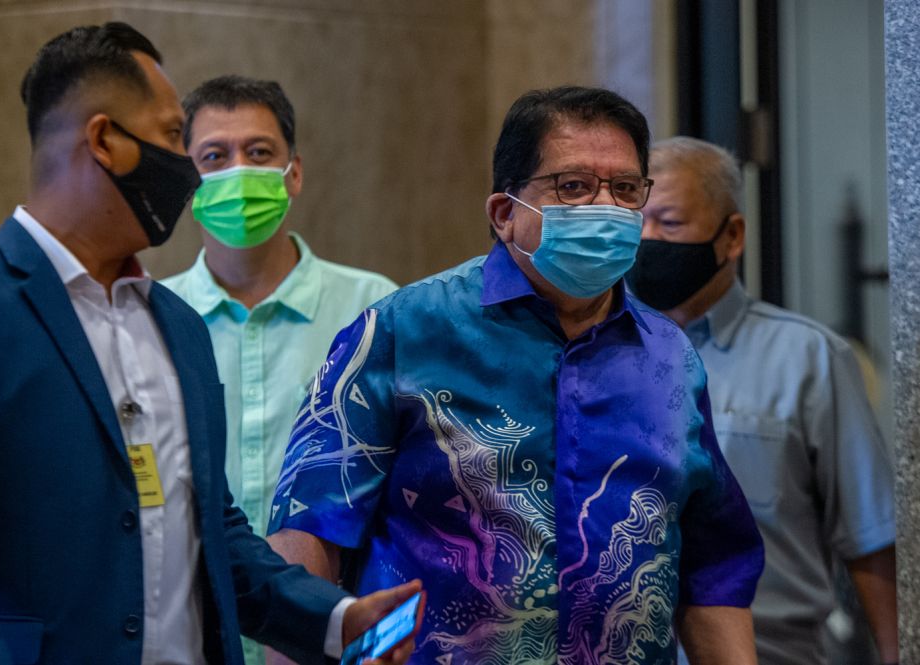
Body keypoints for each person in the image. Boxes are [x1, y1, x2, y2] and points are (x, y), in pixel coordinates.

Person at [0, 22, 419, 665]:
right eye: (168, 139)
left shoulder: (177, 324)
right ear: (104, 142)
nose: (185, 169)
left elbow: (212, 530)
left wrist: (336, 621)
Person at [266, 86, 765, 664]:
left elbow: (712, 568)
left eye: (625, 189)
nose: (604, 208)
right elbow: (309, 534)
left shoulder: (670, 359)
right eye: (573, 187)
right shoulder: (401, 333)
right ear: (506, 213)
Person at [625, 136, 898, 665]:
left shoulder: (808, 359)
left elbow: (870, 536)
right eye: (638, 223)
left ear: (732, 236)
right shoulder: (597, 356)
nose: (649, 240)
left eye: (670, 223)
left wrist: (897, 652)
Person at [162, 71, 398, 665]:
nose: (238, 171)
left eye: (259, 152)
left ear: (294, 172)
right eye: (214, 155)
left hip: (338, 636)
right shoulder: (154, 318)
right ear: (189, 182)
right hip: (192, 636)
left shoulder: (375, 311)